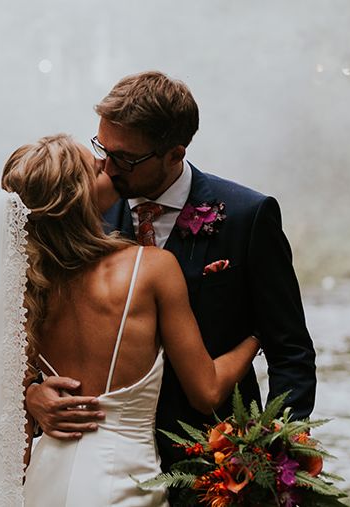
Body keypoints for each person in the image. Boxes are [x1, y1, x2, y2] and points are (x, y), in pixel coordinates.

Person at [25, 72, 317, 478]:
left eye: (125, 158)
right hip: (105, 465)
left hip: (219, 465)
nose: (107, 166)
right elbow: (46, 328)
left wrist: (275, 452)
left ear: (174, 153)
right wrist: (32, 395)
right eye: (102, 148)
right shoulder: (85, 217)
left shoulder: (247, 217)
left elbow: (291, 353)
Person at [0, 133, 259, 506]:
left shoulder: (30, 288)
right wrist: (257, 335)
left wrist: (31, 393)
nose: (105, 164)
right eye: (93, 167)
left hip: (45, 481)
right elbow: (206, 391)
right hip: (120, 483)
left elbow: (5, 400)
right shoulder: (152, 269)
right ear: (79, 198)